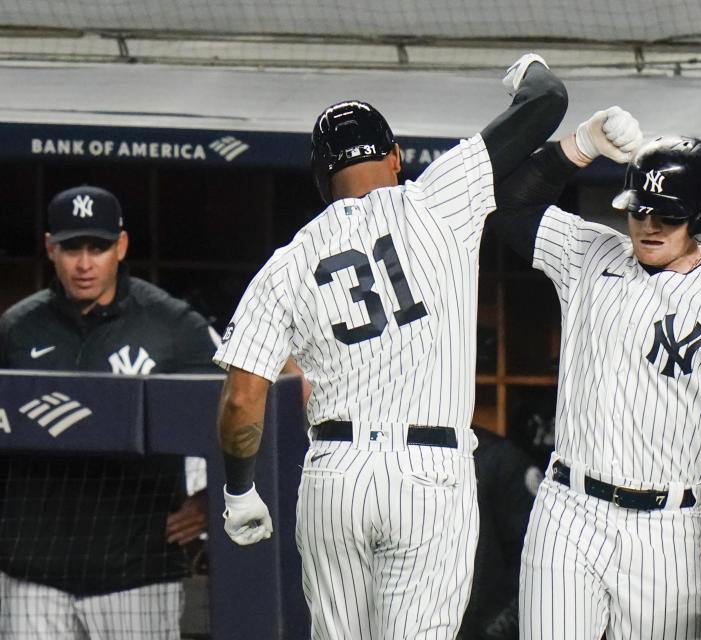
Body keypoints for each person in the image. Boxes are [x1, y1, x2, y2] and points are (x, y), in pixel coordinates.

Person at [212, 53, 567, 639]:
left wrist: (239, 489)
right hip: (430, 472)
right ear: (396, 156)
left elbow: (241, 397)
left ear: (322, 179)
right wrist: (525, 68)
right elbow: (547, 100)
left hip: (335, 475)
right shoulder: (436, 199)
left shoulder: (288, 261)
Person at [486, 114, 701, 639]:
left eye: (667, 216)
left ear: (699, 216)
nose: (649, 225)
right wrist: (581, 145)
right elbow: (504, 202)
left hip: (663, 527)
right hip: (568, 508)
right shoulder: (590, 254)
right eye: (640, 211)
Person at [0, 185, 219, 639]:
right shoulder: (17, 330)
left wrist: (212, 499)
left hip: (135, 575)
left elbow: (241, 413)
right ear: (49, 248)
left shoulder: (173, 327)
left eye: (97, 248)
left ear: (120, 247)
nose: (84, 264)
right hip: (32, 574)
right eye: (71, 248)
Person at [459, 424, 544, 640]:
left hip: (483, 629)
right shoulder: (406, 458)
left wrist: (492, 632)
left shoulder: (500, 459)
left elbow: (534, 561)